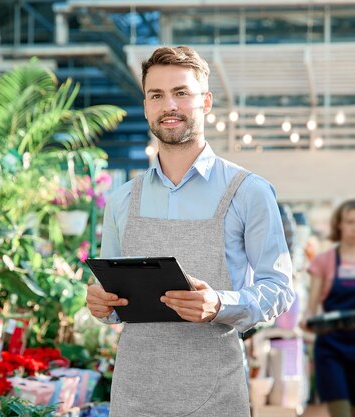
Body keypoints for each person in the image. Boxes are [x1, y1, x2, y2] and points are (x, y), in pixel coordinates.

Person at [85, 46, 295, 416]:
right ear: (147, 105)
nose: (169, 105)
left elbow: (278, 289)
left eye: (181, 92)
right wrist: (101, 305)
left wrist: (219, 304)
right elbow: (114, 301)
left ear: (206, 101)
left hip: (215, 396)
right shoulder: (121, 201)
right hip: (134, 396)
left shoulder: (248, 192)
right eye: (157, 95)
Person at [301, 199, 355, 417]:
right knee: (341, 412)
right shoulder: (324, 261)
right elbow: (311, 307)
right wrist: (307, 320)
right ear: (339, 225)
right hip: (332, 347)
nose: (354, 228)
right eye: (350, 222)